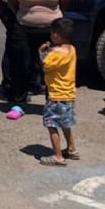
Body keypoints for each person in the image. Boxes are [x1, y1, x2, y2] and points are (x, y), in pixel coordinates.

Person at [6, 0, 71, 119]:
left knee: (52, 68)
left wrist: (53, 19)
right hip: (24, 28)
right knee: (22, 65)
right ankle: (19, 102)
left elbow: (64, 2)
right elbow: (12, 3)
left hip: (51, 32)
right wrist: (25, 15)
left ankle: (53, 103)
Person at [38, 18, 78, 167]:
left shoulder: (55, 54)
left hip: (55, 94)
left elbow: (45, 66)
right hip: (69, 94)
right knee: (66, 123)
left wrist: (42, 52)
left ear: (56, 35)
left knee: (52, 124)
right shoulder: (72, 49)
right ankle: (72, 148)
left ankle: (58, 156)